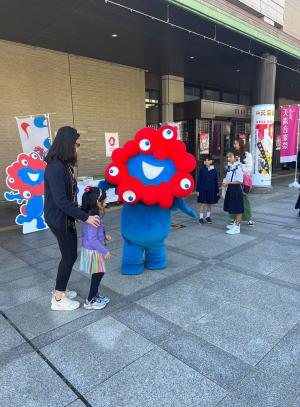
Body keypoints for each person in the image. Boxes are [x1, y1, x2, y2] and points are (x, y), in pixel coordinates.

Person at [45, 126, 100, 311]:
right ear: (67, 144)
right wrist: (85, 217)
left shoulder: (64, 165)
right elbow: (60, 200)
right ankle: (58, 298)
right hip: (58, 219)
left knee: (68, 255)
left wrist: (74, 213)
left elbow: (68, 197)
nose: (79, 148)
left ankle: (60, 290)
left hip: (65, 217)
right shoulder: (55, 167)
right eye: (77, 145)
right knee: (69, 256)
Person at [80, 186, 112, 310]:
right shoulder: (94, 218)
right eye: (104, 201)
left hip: (92, 249)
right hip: (94, 251)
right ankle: (90, 300)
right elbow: (92, 239)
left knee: (98, 273)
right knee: (98, 273)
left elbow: (94, 234)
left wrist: (104, 236)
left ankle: (95, 295)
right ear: (97, 202)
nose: (106, 203)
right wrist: (104, 251)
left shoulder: (91, 215)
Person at [232, 138, 254, 227]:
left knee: (245, 200)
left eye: (236, 143)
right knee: (234, 200)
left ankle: (249, 218)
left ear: (240, 144)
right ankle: (234, 219)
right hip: (235, 180)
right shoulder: (233, 154)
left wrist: (240, 166)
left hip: (244, 181)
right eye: (234, 144)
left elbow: (250, 168)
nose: (234, 145)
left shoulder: (247, 155)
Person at [223, 152, 244, 235]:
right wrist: (226, 182)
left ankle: (237, 227)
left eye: (230, 157)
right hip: (231, 188)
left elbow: (240, 181)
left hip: (236, 189)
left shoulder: (238, 167)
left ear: (234, 157)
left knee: (238, 208)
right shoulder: (230, 166)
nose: (228, 158)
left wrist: (228, 183)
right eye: (227, 157)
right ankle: (235, 224)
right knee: (234, 207)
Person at [196, 157, 219, 224]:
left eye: (206, 160)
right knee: (203, 204)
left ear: (211, 161)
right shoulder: (202, 170)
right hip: (203, 189)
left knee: (210, 204)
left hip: (212, 189)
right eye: (205, 160)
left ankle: (208, 217)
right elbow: (199, 180)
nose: (205, 161)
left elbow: (216, 181)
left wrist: (217, 191)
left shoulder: (214, 170)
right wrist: (197, 190)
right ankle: (201, 218)